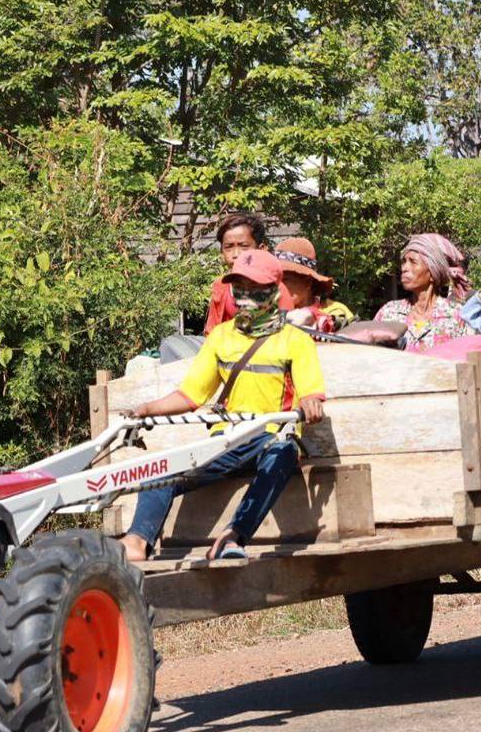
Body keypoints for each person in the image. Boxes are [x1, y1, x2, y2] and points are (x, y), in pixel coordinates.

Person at [121, 249, 327, 562]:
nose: (245, 298)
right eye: (239, 288)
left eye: (254, 290)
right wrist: (146, 409)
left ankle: (234, 536)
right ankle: (136, 541)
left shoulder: (294, 341)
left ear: (273, 291)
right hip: (227, 439)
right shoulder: (220, 337)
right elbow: (191, 396)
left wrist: (311, 404)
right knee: (160, 468)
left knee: (282, 453)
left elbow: (310, 393)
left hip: (270, 437)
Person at [373, 233, 473, 352]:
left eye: (413, 262)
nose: (404, 268)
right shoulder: (389, 313)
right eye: (404, 261)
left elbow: (469, 362)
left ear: (432, 273)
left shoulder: (455, 316)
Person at [204, 213, 293, 333]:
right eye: (228, 247)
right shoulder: (220, 286)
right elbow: (211, 331)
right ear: (221, 253)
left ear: (261, 249)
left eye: (244, 246)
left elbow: (287, 333)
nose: (236, 254)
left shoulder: (274, 288)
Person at [274, 238, 355, 334]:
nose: (278, 286)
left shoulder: (336, 310)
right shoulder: (269, 313)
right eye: (274, 279)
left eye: (285, 280)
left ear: (308, 282)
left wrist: (316, 318)